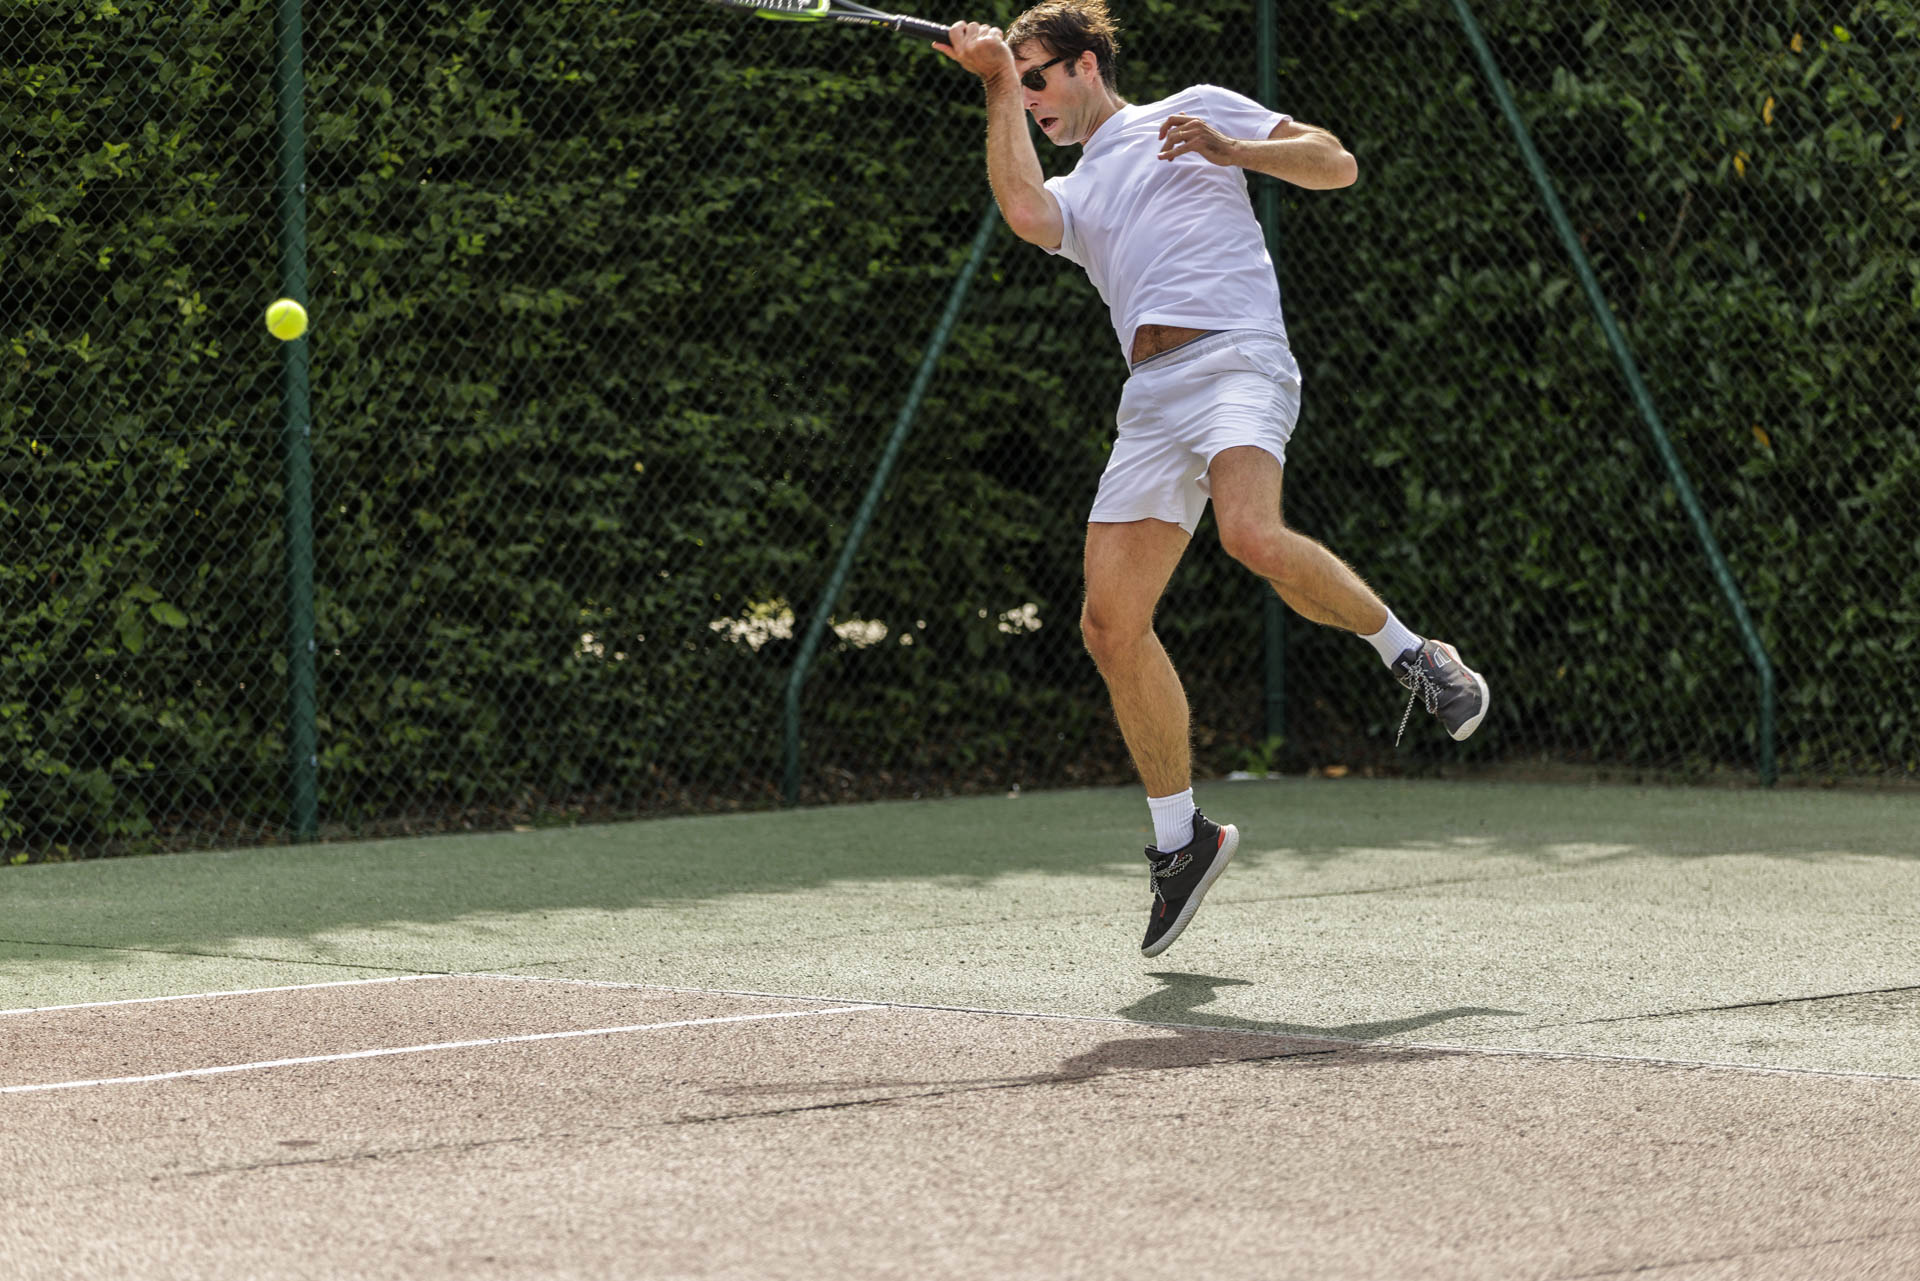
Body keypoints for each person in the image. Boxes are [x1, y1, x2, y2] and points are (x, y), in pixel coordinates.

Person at [936, 0, 1489, 958]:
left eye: (1036, 79)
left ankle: (1413, 654)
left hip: (1238, 357)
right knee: (1109, 625)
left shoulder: (1190, 108)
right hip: (1150, 397)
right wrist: (991, 84)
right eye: (1017, 87)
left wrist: (1233, 148)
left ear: (1087, 63)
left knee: (1249, 532)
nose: (1031, 101)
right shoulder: (1074, 184)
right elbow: (1024, 212)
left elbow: (1337, 163)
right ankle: (1180, 839)